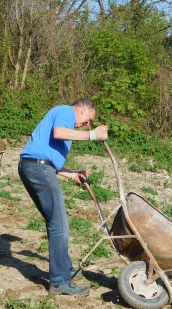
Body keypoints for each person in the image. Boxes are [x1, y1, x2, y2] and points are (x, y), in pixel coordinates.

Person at [18, 99, 108, 296]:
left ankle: (64, 268)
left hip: (34, 168)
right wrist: (92, 135)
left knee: (55, 221)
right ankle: (59, 281)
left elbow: (50, 163)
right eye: (88, 120)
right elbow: (58, 133)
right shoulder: (66, 111)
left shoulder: (63, 120)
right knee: (59, 225)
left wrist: (73, 174)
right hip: (38, 168)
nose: (87, 124)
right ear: (83, 109)